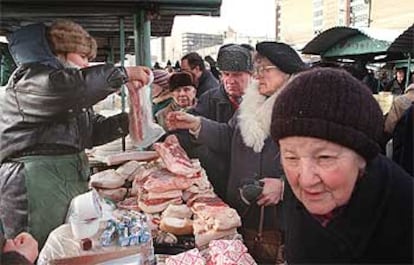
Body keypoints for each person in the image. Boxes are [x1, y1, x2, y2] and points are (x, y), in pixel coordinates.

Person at [0, 20, 150, 248]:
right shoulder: (31, 81)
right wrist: (122, 73)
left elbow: (91, 132)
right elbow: (71, 87)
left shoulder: (67, 93)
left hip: (64, 180)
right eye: (83, 57)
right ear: (58, 53)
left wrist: (133, 120)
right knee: (38, 250)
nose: (87, 65)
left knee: (67, 249)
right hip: (34, 187)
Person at [167, 41, 307, 264]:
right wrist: (196, 124)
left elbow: (320, 167)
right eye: (256, 69)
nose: (258, 75)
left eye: (265, 70)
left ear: (287, 72)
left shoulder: (302, 109)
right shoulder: (252, 102)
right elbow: (228, 136)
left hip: (280, 219)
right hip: (245, 209)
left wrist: (283, 187)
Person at [270, 67, 413, 264]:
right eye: (291, 157)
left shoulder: (404, 219)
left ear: (363, 157)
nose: (305, 179)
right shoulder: (302, 199)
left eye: (325, 158)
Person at [184, 43, 254, 199]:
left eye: (237, 75)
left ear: (251, 75)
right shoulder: (209, 98)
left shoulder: (261, 102)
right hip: (218, 183)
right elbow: (186, 131)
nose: (230, 80)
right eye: (226, 74)